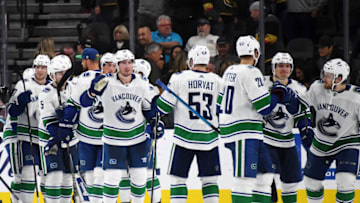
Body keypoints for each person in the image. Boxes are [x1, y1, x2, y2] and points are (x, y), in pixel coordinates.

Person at [80, 49, 162, 203]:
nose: (127, 66)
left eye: (130, 62)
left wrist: (155, 122)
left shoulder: (141, 83)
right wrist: (91, 92)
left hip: (137, 139)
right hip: (113, 140)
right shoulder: (105, 82)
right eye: (123, 63)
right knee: (112, 180)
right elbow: (85, 102)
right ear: (117, 65)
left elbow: (147, 109)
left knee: (139, 181)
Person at [219, 35, 295, 202]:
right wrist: (277, 93)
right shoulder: (252, 72)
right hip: (243, 133)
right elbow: (264, 107)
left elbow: (219, 102)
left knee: (266, 174)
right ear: (255, 52)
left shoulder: (229, 70)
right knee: (244, 181)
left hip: (249, 133)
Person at [156, 45, 223, 202]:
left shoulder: (179, 78)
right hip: (209, 138)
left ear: (191, 61)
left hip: (184, 138)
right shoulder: (218, 81)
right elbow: (223, 109)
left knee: (178, 180)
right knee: (210, 181)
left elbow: (162, 107)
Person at [298, 58, 360, 203]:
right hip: (321, 142)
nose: (323, 78)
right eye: (324, 74)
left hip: (347, 143)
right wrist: (304, 124)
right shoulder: (316, 88)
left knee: (346, 182)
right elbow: (302, 106)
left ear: (339, 78)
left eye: (328, 75)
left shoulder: (356, 98)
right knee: (311, 183)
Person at [64, 50, 116, 203]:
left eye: (82, 60)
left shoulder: (81, 80)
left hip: (99, 137)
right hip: (89, 137)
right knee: (91, 177)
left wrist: (67, 123)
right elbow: (75, 103)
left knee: (99, 176)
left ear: (87, 60)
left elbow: (72, 104)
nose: (81, 62)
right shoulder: (87, 80)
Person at [263, 52, 313, 203]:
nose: (283, 69)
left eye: (287, 66)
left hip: (287, 141)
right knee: (265, 182)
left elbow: (303, 117)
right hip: (265, 141)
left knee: (291, 183)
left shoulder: (299, 89)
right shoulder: (262, 84)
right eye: (280, 66)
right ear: (273, 68)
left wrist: (307, 135)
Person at [2, 54, 50, 203]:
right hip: (22, 136)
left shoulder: (51, 87)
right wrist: (20, 104)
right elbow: (12, 111)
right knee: (26, 174)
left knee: (46, 175)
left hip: (42, 137)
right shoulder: (24, 85)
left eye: (43, 67)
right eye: (37, 66)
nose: (40, 70)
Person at [38, 55, 78, 202]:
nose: (63, 76)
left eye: (65, 72)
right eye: (60, 73)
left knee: (68, 177)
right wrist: (61, 132)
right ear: (52, 75)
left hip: (70, 139)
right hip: (51, 139)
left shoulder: (73, 88)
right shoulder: (45, 93)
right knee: (55, 176)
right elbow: (50, 124)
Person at [249, 1, 285, 75]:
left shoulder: (271, 20)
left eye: (252, 12)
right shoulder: (261, 23)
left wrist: (256, 49)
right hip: (265, 58)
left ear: (257, 11)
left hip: (272, 58)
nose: (251, 16)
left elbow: (271, 39)